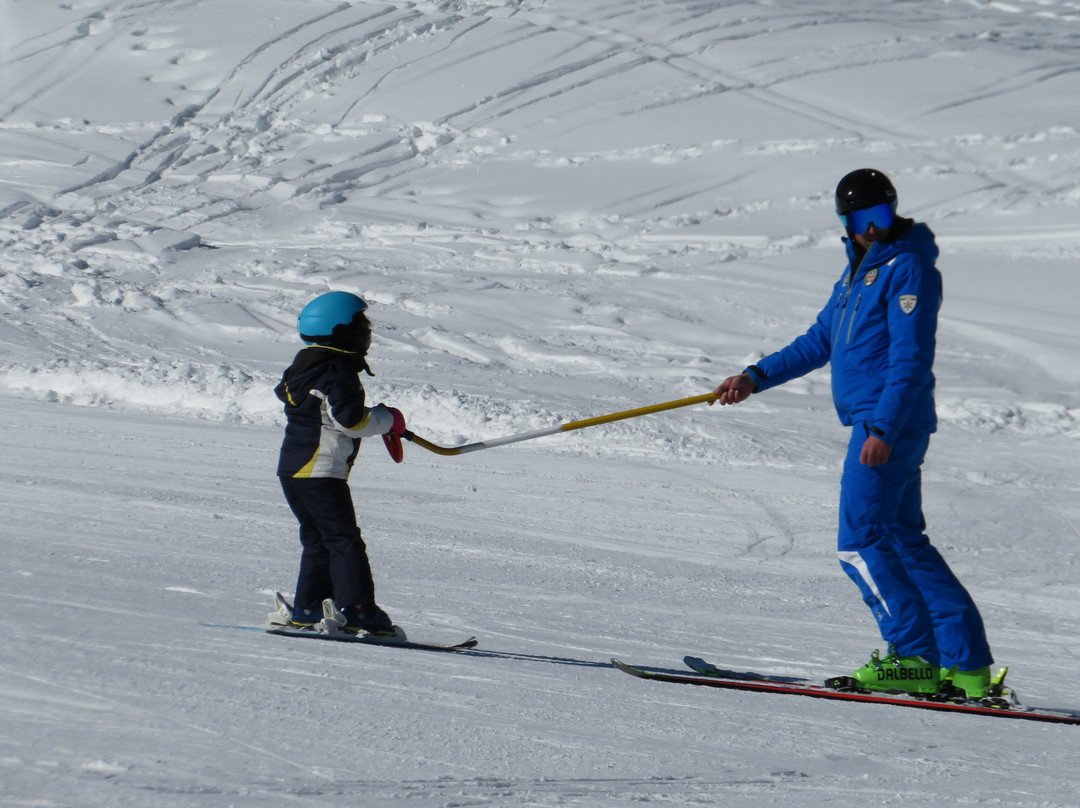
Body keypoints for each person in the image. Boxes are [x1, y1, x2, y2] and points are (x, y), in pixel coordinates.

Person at [711, 168, 994, 698]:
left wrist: (883, 428)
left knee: (860, 542)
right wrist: (754, 378)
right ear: (846, 222)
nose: (871, 228)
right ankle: (968, 667)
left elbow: (911, 358)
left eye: (880, 217)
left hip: (886, 424)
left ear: (893, 212)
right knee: (905, 542)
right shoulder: (857, 275)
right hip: (883, 424)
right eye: (861, 220)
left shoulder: (906, 269)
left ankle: (913, 659)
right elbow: (819, 340)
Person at [272, 290, 407, 636]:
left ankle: (310, 607)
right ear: (342, 331)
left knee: (319, 539)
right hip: (320, 471)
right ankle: (358, 609)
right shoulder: (337, 372)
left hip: (294, 471)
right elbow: (351, 421)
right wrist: (387, 419)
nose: (367, 333)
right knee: (344, 540)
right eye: (361, 325)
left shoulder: (307, 367)